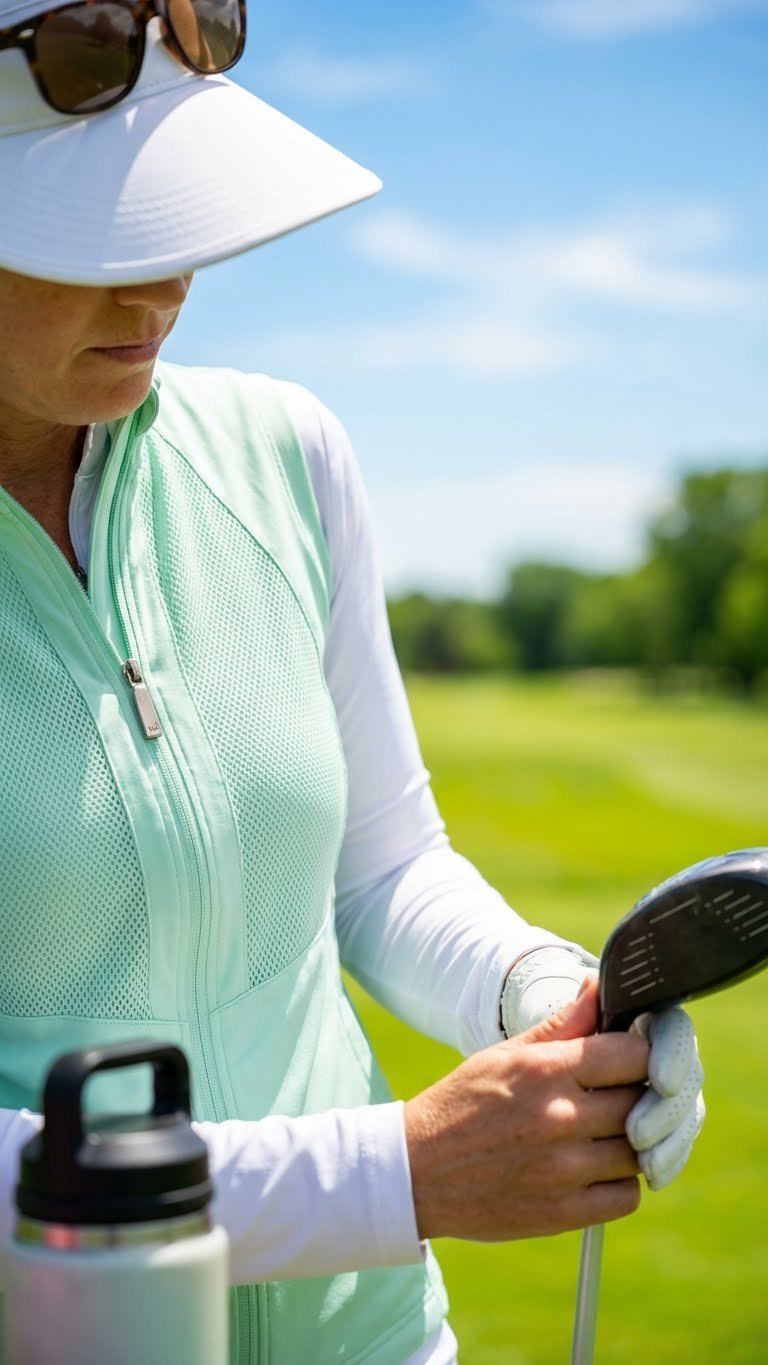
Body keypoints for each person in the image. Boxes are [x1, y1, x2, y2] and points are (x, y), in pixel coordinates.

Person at [0, 7, 705, 1362]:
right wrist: (391, 1177)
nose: (159, 292)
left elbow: (383, 868)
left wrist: (541, 991)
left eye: (176, 223)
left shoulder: (284, 452)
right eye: (96, 242)